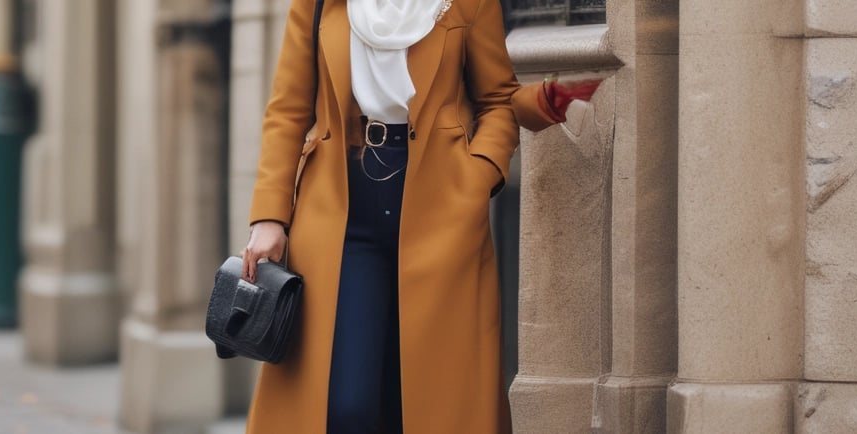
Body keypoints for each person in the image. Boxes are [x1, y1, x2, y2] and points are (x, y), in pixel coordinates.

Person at [240, 0, 603, 431]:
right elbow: (287, 110)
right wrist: (269, 217)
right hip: (341, 212)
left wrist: (478, 177)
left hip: (441, 212)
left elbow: (496, 101)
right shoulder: (319, 4)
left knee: (420, 403)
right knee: (343, 405)